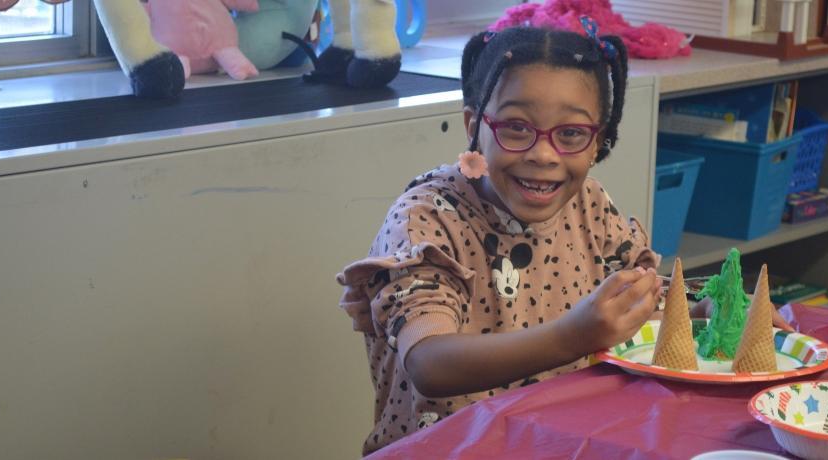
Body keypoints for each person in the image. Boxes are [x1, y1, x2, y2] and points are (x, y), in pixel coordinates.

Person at [336, 20, 787, 455]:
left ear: (598, 141)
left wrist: (700, 312)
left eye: (571, 134)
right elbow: (429, 363)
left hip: (562, 444)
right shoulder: (426, 220)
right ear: (474, 125)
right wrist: (572, 337)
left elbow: (630, 309)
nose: (543, 154)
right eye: (516, 127)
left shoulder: (591, 207)